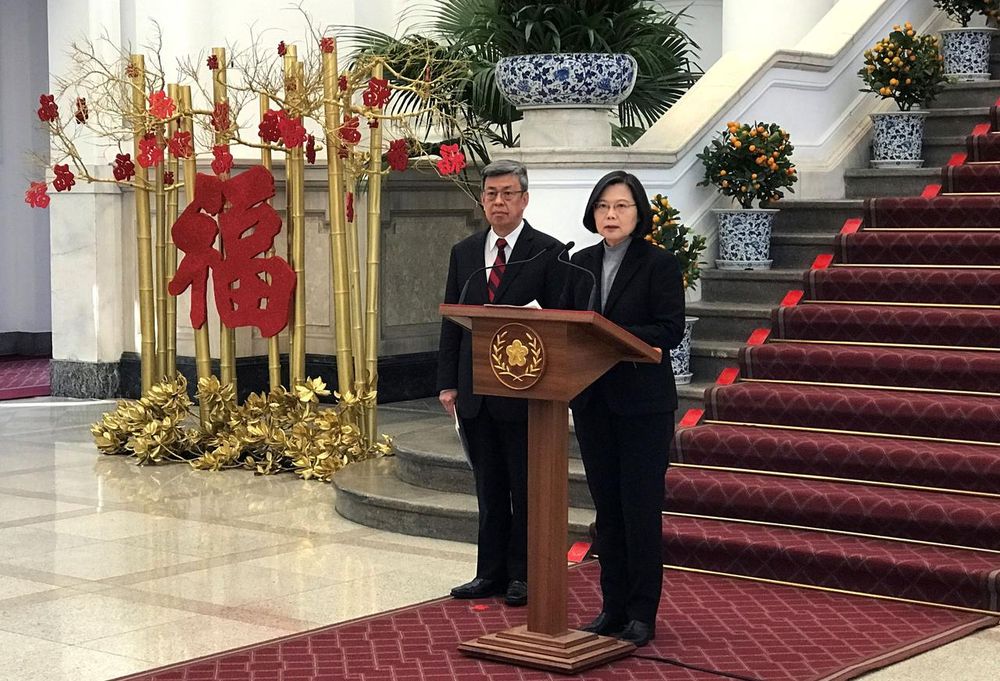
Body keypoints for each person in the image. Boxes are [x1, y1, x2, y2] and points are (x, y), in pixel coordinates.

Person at [559, 170, 685, 646]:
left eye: (621, 206)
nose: (611, 215)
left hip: (642, 406)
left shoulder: (659, 264)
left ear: (639, 213)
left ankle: (641, 614)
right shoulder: (578, 262)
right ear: (593, 213)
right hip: (593, 401)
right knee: (607, 510)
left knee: (639, 509)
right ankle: (611, 608)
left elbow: (669, 329)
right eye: (603, 207)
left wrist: (614, 337)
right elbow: (568, 323)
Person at [437, 159, 566, 607]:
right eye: (491, 194)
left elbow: (559, 324)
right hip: (474, 391)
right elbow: (451, 321)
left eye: (508, 193)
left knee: (523, 486)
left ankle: (523, 573)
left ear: (524, 199)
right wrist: (447, 384)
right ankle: (487, 572)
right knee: (489, 488)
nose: (498, 201)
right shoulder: (465, 252)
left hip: (524, 392)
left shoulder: (547, 251)